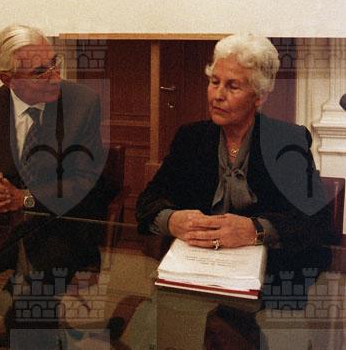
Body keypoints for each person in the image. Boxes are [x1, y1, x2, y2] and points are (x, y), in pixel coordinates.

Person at [136, 34, 331, 277]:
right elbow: (147, 202)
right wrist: (172, 220)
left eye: (232, 86)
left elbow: (317, 220)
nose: (217, 95)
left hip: (268, 276)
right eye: (214, 82)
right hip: (192, 270)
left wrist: (255, 230)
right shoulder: (190, 138)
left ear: (259, 96)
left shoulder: (286, 140)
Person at [0, 24, 107, 218]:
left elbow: (87, 182)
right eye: (40, 72)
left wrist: (24, 198)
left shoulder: (82, 103)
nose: (56, 78)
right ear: (8, 80)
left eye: (54, 63)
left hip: (60, 224)